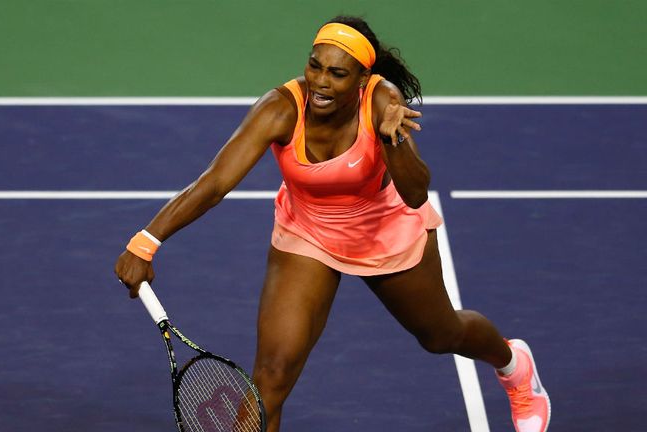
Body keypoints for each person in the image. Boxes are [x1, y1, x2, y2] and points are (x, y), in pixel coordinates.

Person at [115, 15, 551, 432]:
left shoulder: (384, 103)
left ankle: (514, 366)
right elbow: (214, 183)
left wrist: (391, 140)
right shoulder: (280, 108)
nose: (321, 82)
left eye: (337, 74)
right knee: (271, 376)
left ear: (362, 79)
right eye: (315, 66)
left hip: (383, 230)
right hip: (307, 235)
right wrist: (146, 241)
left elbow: (416, 194)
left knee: (440, 335)